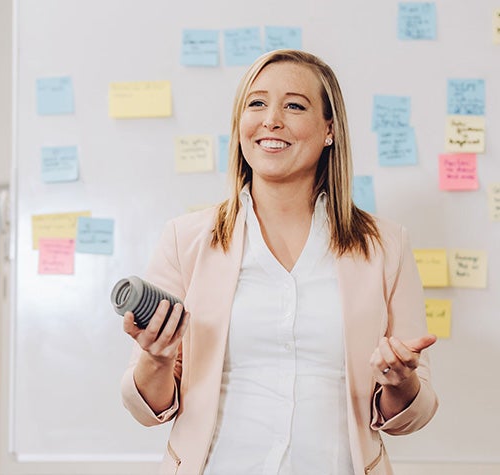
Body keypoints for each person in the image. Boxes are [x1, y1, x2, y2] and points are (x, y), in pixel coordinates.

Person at [120, 49, 438, 475]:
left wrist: (401, 381)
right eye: (256, 103)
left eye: (293, 105)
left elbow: (413, 412)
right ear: (239, 125)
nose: (270, 119)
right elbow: (147, 408)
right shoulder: (186, 239)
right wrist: (157, 360)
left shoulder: (386, 246)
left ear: (329, 129)